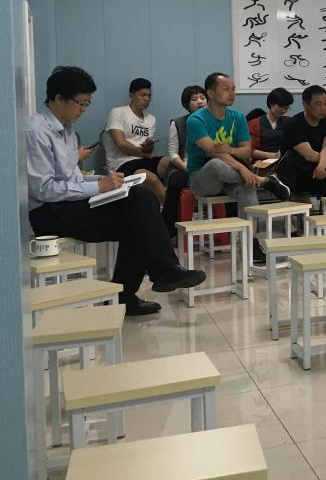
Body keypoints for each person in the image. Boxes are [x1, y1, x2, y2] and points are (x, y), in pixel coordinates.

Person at [26, 66, 206, 316]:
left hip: (67, 204)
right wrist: (99, 186)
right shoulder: (36, 131)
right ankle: (153, 277)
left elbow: (72, 178)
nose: (83, 109)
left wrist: (103, 180)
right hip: (48, 213)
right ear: (58, 98)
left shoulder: (66, 129)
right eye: (81, 103)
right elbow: (43, 189)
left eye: (87, 103)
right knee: (139, 211)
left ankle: (134, 289)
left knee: (140, 206)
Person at [186, 72, 291, 263]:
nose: (232, 93)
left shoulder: (238, 117)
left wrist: (232, 150)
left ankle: (251, 245)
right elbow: (213, 152)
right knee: (216, 164)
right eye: (226, 89)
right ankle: (264, 181)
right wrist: (244, 170)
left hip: (231, 178)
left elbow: (246, 151)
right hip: (202, 179)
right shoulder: (196, 120)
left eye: (233, 89)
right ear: (210, 93)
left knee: (247, 188)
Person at [276, 85, 326, 198]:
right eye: (318, 104)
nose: (323, 108)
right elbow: (309, 155)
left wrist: (322, 166)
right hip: (295, 173)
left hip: (321, 170)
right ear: (305, 105)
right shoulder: (292, 124)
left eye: (325, 103)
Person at [103, 77, 170, 207]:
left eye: (149, 95)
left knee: (171, 163)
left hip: (143, 160)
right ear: (131, 95)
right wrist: (144, 153)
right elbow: (121, 144)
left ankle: (176, 197)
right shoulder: (118, 112)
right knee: (152, 179)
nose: (147, 99)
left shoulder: (151, 119)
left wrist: (148, 148)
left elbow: (148, 152)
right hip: (122, 163)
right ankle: (170, 213)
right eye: (143, 95)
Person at [163, 84, 206, 235]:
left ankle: (230, 229)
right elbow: (173, 154)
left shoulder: (214, 121)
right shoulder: (178, 123)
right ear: (187, 105)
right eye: (194, 99)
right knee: (176, 184)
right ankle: (169, 232)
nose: (200, 101)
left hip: (208, 167)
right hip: (183, 166)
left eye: (202, 97)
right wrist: (187, 168)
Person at [248, 87, 292, 163]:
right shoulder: (254, 124)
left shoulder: (289, 122)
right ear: (271, 103)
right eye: (280, 107)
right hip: (263, 162)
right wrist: (274, 156)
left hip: (284, 162)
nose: (282, 110)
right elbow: (249, 150)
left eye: (285, 108)